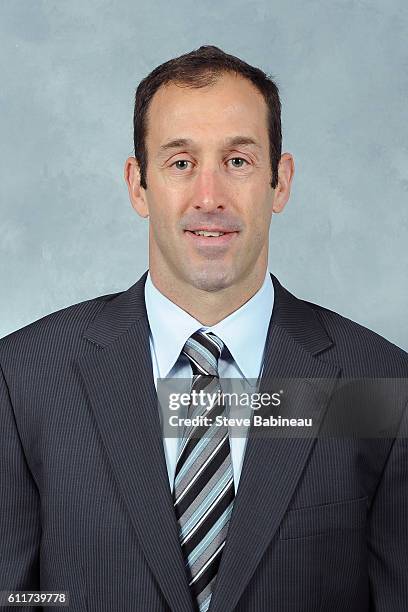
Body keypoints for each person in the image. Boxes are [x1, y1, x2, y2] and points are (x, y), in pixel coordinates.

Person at [0, 45, 407, 612]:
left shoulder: (380, 385)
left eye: (237, 161)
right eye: (181, 163)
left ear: (280, 182)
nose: (209, 197)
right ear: (138, 185)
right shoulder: (23, 379)